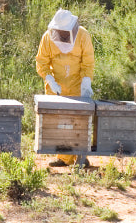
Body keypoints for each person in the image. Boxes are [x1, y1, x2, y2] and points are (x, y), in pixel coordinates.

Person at [36, 9, 94, 167]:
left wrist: (86, 81)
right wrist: (50, 79)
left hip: (77, 83)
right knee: (59, 122)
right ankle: (63, 157)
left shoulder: (83, 35)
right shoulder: (47, 37)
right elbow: (41, 62)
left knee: (78, 120)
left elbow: (88, 61)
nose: (62, 36)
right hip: (56, 85)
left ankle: (80, 156)